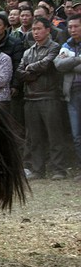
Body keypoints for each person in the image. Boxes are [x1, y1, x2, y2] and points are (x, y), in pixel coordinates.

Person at [15, 18, 64, 179]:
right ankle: (37, 169)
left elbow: (47, 64)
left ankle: (58, 169)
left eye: (39, 29)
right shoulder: (28, 51)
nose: (35, 32)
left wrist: (30, 68)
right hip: (30, 97)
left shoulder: (55, 47)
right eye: (33, 29)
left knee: (54, 135)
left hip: (49, 96)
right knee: (34, 137)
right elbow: (19, 72)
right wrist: (32, 73)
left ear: (48, 30)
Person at [54, 14, 81, 180]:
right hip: (71, 93)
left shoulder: (67, 50)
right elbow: (58, 65)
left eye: (76, 26)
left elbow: (66, 65)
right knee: (77, 135)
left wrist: (70, 61)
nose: (72, 29)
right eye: (70, 27)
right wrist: (78, 59)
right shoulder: (66, 45)